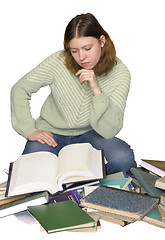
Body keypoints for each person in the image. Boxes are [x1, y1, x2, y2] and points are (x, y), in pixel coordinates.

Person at [11, 13, 136, 174]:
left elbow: (110, 131)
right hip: (51, 134)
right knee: (32, 171)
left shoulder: (120, 73)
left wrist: (97, 91)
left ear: (102, 41)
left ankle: (81, 183)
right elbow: (19, 89)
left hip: (91, 135)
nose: (81, 57)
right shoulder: (59, 61)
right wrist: (29, 130)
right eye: (74, 51)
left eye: (87, 48)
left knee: (122, 158)